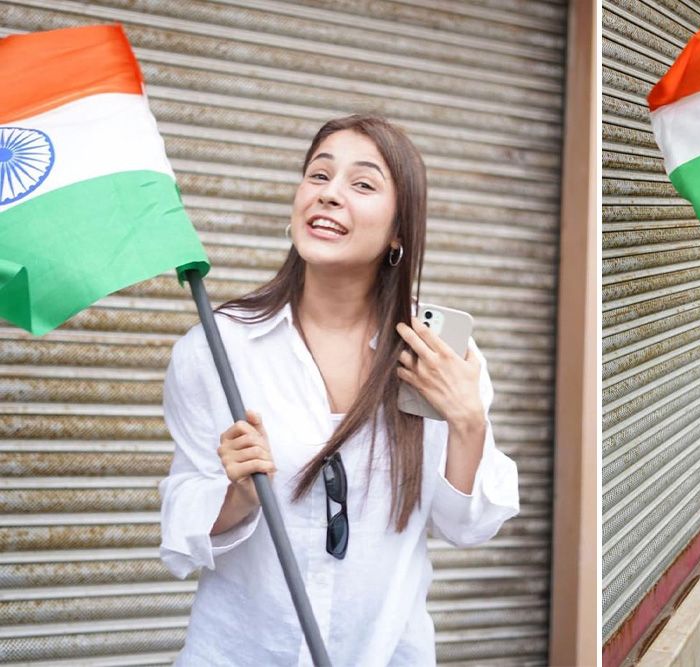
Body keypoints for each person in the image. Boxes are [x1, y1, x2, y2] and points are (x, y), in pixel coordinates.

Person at [158, 115, 519, 665]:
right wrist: (240, 494)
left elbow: (467, 528)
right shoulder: (217, 347)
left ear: (399, 230)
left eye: (362, 184)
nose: (329, 194)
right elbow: (181, 528)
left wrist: (469, 422)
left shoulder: (440, 359)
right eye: (318, 175)